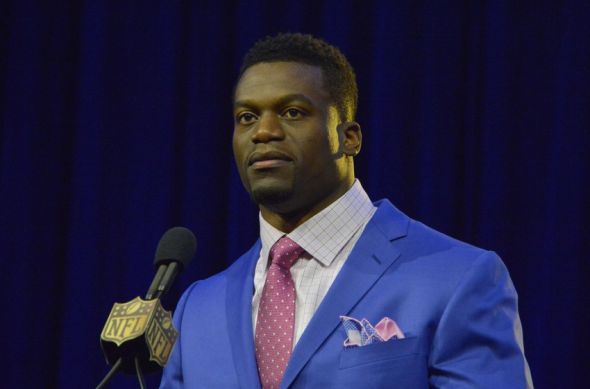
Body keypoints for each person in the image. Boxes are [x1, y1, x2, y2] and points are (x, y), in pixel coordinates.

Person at [160, 33, 532, 388]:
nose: (264, 132)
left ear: (348, 137)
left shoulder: (458, 279)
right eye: (247, 117)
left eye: (291, 112)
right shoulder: (197, 310)